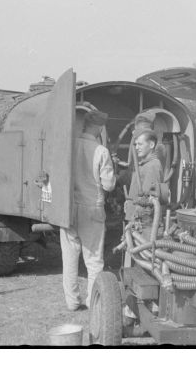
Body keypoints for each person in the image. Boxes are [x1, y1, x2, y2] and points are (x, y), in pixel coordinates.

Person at [60, 109, 116, 310]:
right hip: (92, 207)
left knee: (69, 257)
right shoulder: (102, 151)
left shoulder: (70, 145)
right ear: (99, 127)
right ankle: (92, 302)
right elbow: (108, 185)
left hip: (68, 207)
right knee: (93, 260)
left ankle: (72, 302)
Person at [124, 129, 165, 236]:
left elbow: (147, 200)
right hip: (137, 222)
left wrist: (134, 220)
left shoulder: (153, 165)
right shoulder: (144, 165)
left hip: (143, 225)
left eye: (140, 144)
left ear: (151, 144)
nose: (137, 147)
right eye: (136, 144)